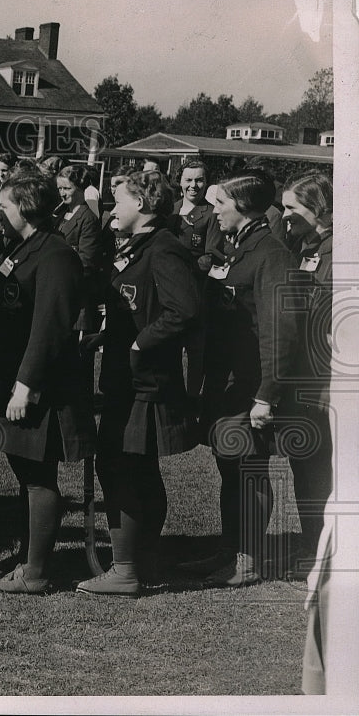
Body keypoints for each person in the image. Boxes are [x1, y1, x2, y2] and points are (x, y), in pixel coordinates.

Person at [75, 169, 199, 597]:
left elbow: (183, 310)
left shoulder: (164, 248)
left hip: (143, 382)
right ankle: (141, 558)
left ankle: (126, 568)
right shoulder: (138, 245)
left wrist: (137, 344)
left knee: (120, 465)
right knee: (137, 467)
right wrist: (106, 337)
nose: (111, 208)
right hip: (127, 379)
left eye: (119, 200)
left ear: (142, 206)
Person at [0, 173, 96, 593]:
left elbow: (50, 327)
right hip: (15, 378)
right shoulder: (24, 249)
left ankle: (36, 572)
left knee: (38, 476)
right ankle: (28, 556)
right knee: (24, 471)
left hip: (40, 388)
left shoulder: (56, 254)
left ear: (25, 209)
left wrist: (25, 385)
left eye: (4, 206)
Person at [180, 169, 298, 587]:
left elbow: (278, 329)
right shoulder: (239, 247)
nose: (214, 209)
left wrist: (267, 395)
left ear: (243, 207)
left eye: (221, 204)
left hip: (251, 387)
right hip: (229, 384)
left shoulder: (271, 253)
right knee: (230, 466)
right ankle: (230, 552)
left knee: (248, 468)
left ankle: (247, 557)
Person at [279, 172, 333, 572]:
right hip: (303, 378)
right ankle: (313, 544)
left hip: (326, 381)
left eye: (291, 208)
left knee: (323, 466)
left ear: (317, 209)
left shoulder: (338, 253)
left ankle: (325, 549)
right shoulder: (302, 244)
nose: (284, 216)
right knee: (305, 462)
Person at [56, 164, 106, 398]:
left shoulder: (87, 217)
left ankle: (81, 397)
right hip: (58, 292)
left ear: (79, 188)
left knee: (79, 350)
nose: (62, 193)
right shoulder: (58, 213)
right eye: (60, 188)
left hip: (78, 295)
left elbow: (88, 260)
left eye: (67, 188)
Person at [168, 160, 212, 406]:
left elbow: (212, 253)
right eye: (188, 180)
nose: (193, 185)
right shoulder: (170, 211)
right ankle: (172, 396)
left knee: (196, 349)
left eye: (199, 180)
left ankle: (193, 399)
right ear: (180, 182)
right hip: (169, 291)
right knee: (170, 345)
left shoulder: (212, 213)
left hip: (197, 290)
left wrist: (187, 268)